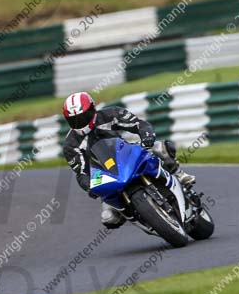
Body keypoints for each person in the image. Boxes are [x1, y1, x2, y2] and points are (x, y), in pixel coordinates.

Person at [62, 91, 195, 229]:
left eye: (83, 117)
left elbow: (139, 124)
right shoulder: (70, 145)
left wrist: (146, 135)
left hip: (126, 153)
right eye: (74, 120)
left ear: (93, 109)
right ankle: (139, 215)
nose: (79, 122)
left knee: (160, 147)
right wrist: (89, 186)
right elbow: (81, 172)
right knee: (109, 218)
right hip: (105, 174)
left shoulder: (110, 114)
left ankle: (179, 174)